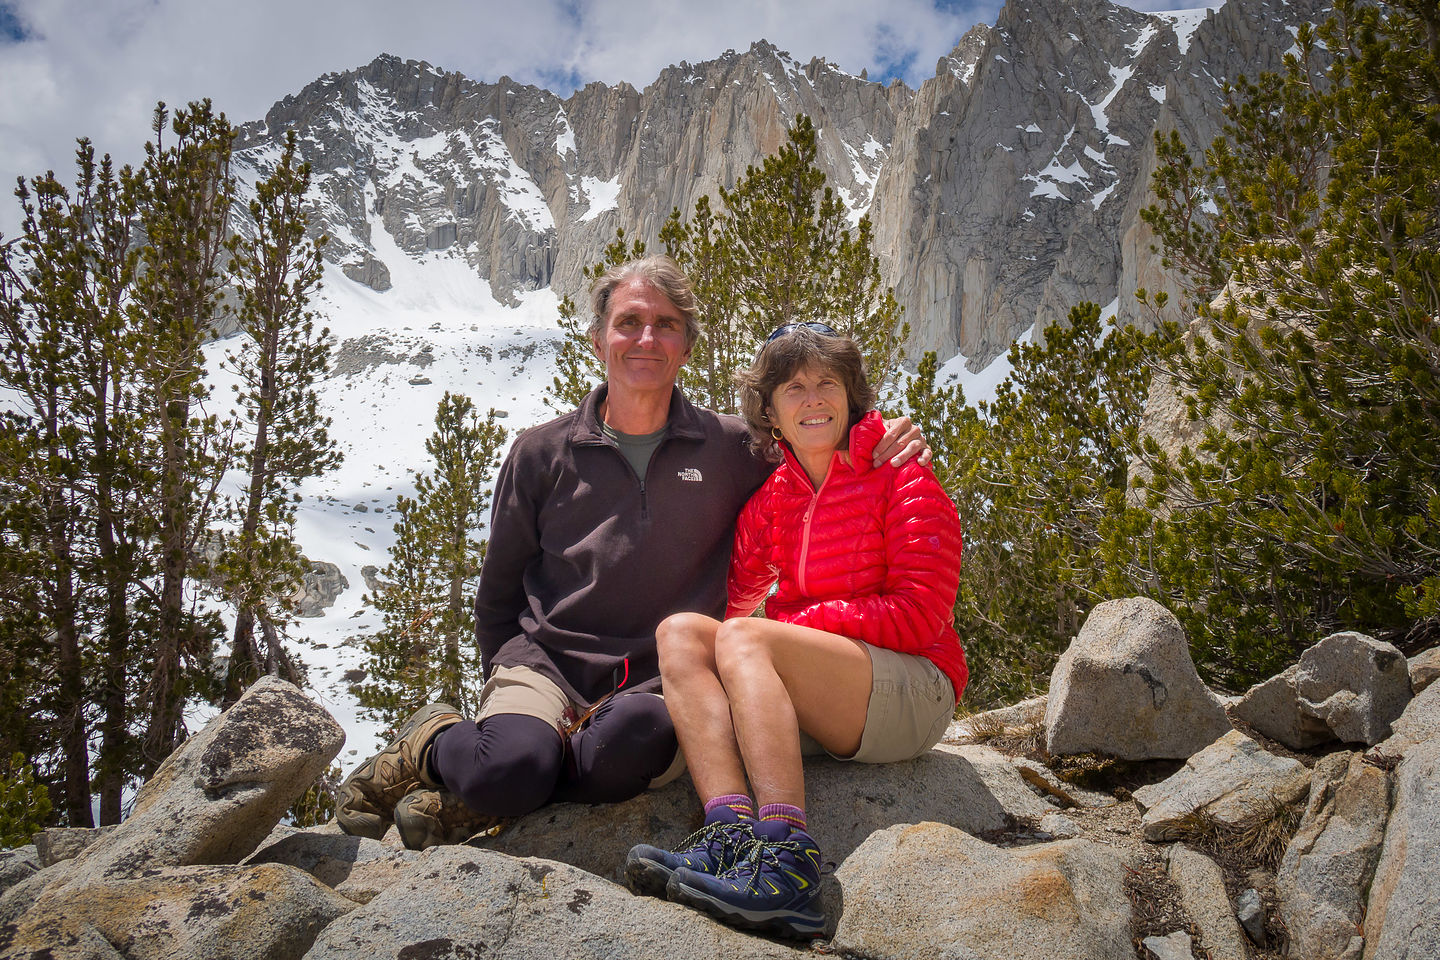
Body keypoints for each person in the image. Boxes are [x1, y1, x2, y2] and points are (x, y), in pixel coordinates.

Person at [336, 258, 930, 849]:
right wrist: (516, 683)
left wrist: (884, 434)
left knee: (630, 749)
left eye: (667, 325)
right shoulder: (541, 453)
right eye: (630, 322)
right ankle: (434, 741)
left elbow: (817, 449)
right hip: (545, 666)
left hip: (653, 686)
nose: (647, 338)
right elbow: (498, 599)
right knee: (510, 764)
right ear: (598, 339)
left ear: (687, 347)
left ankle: (490, 796)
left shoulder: (733, 449)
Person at [622, 322, 966, 940]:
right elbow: (734, 601)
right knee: (680, 633)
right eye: (793, 388)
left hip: (916, 687)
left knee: (748, 638)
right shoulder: (774, 498)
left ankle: (788, 861)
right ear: (770, 411)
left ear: (850, 396)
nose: (812, 400)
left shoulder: (900, 473)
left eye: (827, 384)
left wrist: (787, 628)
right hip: (834, 691)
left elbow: (922, 616)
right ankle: (729, 837)